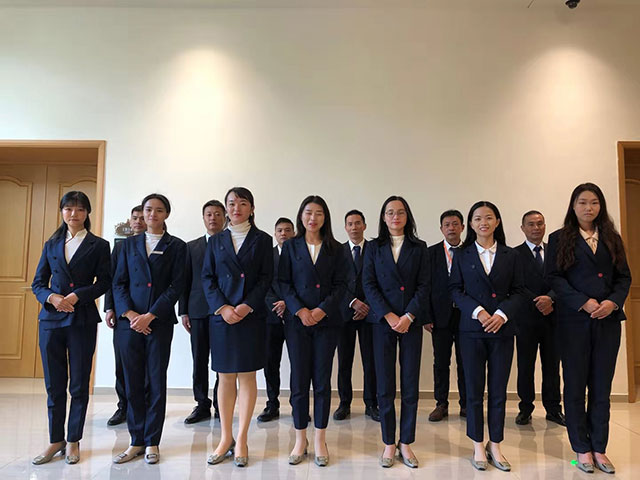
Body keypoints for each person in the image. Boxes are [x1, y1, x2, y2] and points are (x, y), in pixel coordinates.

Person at [545, 183, 631, 474]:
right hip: (573, 322)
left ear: (600, 206)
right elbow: (554, 278)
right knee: (574, 385)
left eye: (594, 202)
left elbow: (624, 278)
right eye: (582, 202)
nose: (588, 208)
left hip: (607, 321)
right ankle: (581, 449)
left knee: (601, 387)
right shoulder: (559, 238)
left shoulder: (612, 238)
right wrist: (582, 302)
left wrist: (613, 302)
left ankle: (600, 448)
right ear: (573, 206)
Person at [31, 191, 111, 465]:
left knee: (78, 383)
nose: (73, 214)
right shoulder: (51, 244)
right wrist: (51, 297)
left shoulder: (99, 245)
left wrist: (79, 296)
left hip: (82, 319)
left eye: (79, 209)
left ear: (87, 213)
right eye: (68, 209)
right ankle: (56, 440)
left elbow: (105, 282)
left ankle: (73, 439)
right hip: (51, 320)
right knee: (54, 385)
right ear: (62, 212)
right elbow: (38, 283)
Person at [449, 201, 525, 472]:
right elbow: (455, 289)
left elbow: (520, 291)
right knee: (473, 390)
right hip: (472, 331)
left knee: (498, 390)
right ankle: (478, 444)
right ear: (470, 224)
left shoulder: (510, 255)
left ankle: (496, 444)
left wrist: (502, 314)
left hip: (502, 330)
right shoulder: (462, 254)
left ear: (497, 222)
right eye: (478, 218)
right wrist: (479, 312)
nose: (484, 222)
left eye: (489, 217)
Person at [112, 193, 187, 464]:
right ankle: (136, 440)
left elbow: (177, 286)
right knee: (132, 382)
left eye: (158, 210)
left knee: (155, 381)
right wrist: (132, 315)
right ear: (142, 213)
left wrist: (151, 315)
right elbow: (118, 282)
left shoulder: (177, 246)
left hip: (159, 323)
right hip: (129, 324)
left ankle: (152, 441)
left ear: (166, 214)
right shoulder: (127, 245)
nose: (152, 214)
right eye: (148, 209)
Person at [202, 187, 273, 467]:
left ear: (251, 208)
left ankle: (242, 438)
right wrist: (223, 307)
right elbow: (207, 278)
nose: (236, 208)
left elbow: (266, 278)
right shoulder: (215, 240)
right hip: (223, 317)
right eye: (231, 204)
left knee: (246, 375)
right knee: (225, 377)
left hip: (250, 316)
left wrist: (246, 305)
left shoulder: (263, 240)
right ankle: (225, 437)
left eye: (242, 204)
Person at [278, 195, 348, 467]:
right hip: (297, 323)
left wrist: (321, 310)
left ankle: (320, 438)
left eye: (318, 213)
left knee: (321, 381)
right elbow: (284, 283)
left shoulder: (336, 248)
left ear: (325, 217)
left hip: (326, 322)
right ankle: (300, 438)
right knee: (299, 381)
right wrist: (300, 310)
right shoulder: (291, 246)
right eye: (308, 212)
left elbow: (342, 285)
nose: (313, 218)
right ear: (301, 215)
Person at [362, 195, 430, 468]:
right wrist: (389, 315)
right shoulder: (373, 247)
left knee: (410, 383)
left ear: (407, 216)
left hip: (410, 322)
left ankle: (406, 442)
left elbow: (424, 285)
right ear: (383, 217)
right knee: (385, 384)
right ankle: (389, 442)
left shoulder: (419, 247)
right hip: (383, 322)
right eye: (390, 212)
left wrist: (409, 315)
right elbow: (368, 284)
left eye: (400, 212)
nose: (395, 217)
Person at [514, 210, 565, 426]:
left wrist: (550, 298)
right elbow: (516, 285)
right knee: (525, 366)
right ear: (523, 228)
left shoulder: (556, 252)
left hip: (553, 318)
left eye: (540, 223)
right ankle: (525, 409)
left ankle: (553, 409)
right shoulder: (514, 254)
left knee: (552, 366)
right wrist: (538, 301)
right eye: (531, 224)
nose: (536, 228)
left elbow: (563, 280)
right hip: (525, 319)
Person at [180, 200, 226, 424]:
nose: (213, 218)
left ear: (225, 218)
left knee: (221, 361)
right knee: (199, 359)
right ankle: (201, 404)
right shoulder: (191, 247)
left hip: (223, 311)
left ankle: (221, 403)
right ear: (203, 218)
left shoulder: (230, 244)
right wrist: (184, 311)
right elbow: (184, 280)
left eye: (217, 214)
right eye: (209, 214)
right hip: (197, 310)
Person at [333, 209, 379, 422]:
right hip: (344, 314)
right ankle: (344, 403)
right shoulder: (337, 251)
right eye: (350, 224)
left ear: (364, 226)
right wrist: (353, 302)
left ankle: (371, 403)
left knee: (371, 361)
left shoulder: (375, 249)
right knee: (344, 361)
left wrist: (366, 304)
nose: (354, 227)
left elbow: (380, 280)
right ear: (345, 227)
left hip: (370, 314)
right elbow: (335, 282)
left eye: (357, 223)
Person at [104, 205, 146, 427]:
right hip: (123, 312)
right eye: (135, 218)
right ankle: (123, 406)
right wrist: (110, 308)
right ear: (130, 221)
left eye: (142, 218)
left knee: (146, 365)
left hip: (147, 313)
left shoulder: (160, 246)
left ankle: (144, 406)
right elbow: (112, 280)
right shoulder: (121, 246)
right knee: (122, 363)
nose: (138, 221)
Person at [426, 209, 467, 422]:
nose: (451, 228)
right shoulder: (430, 253)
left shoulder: (470, 250)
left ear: (462, 227)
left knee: (466, 361)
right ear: (441, 229)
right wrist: (426, 316)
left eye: (455, 224)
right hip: (439, 317)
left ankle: (466, 404)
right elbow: (424, 286)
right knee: (441, 362)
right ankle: (441, 403)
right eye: (447, 225)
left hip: (466, 316)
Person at [257, 217, 295, 423]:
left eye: (288, 230)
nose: (284, 234)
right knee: (271, 362)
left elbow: (303, 283)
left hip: (295, 315)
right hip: (271, 317)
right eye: (280, 230)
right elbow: (262, 284)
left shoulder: (301, 254)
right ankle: (272, 403)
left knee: (298, 363)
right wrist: (277, 304)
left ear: (294, 233)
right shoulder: (267, 256)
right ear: (275, 233)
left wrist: (288, 303)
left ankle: (298, 405)